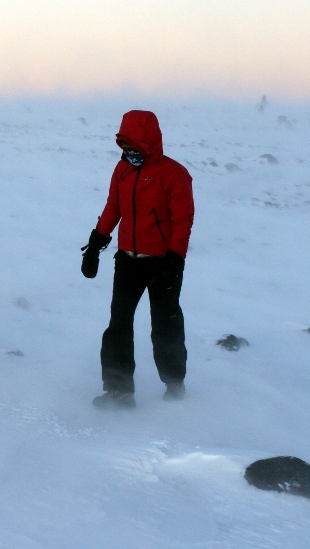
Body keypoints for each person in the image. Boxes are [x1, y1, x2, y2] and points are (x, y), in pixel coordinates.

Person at [81, 110, 194, 408]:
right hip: (128, 260)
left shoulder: (174, 174)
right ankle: (119, 391)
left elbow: (183, 221)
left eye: (134, 147)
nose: (129, 152)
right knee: (118, 323)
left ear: (149, 143)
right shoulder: (122, 171)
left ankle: (174, 383)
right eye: (125, 146)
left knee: (165, 325)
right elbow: (112, 208)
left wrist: (175, 260)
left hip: (163, 263)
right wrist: (96, 244)